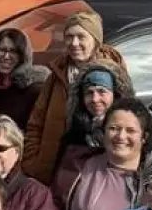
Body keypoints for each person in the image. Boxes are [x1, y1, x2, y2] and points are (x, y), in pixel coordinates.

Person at [24, 10, 127, 182]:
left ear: (95, 40)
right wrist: (33, 164)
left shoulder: (112, 75)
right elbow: (36, 122)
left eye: (81, 36)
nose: (74, 43)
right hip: (54, 171)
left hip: (97, 173)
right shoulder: (57, 75)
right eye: (69, 37)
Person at [48, 61, 135, 196]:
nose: (95, 99)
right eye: (89, 93)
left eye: (102, 92)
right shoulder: (74, 138)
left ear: (115, 95)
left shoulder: (129, 136)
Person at [0, 28, 48, 126]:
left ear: (23, 57)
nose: (6, 56)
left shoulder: (35, 91)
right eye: (2, 50)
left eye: (13, 51)